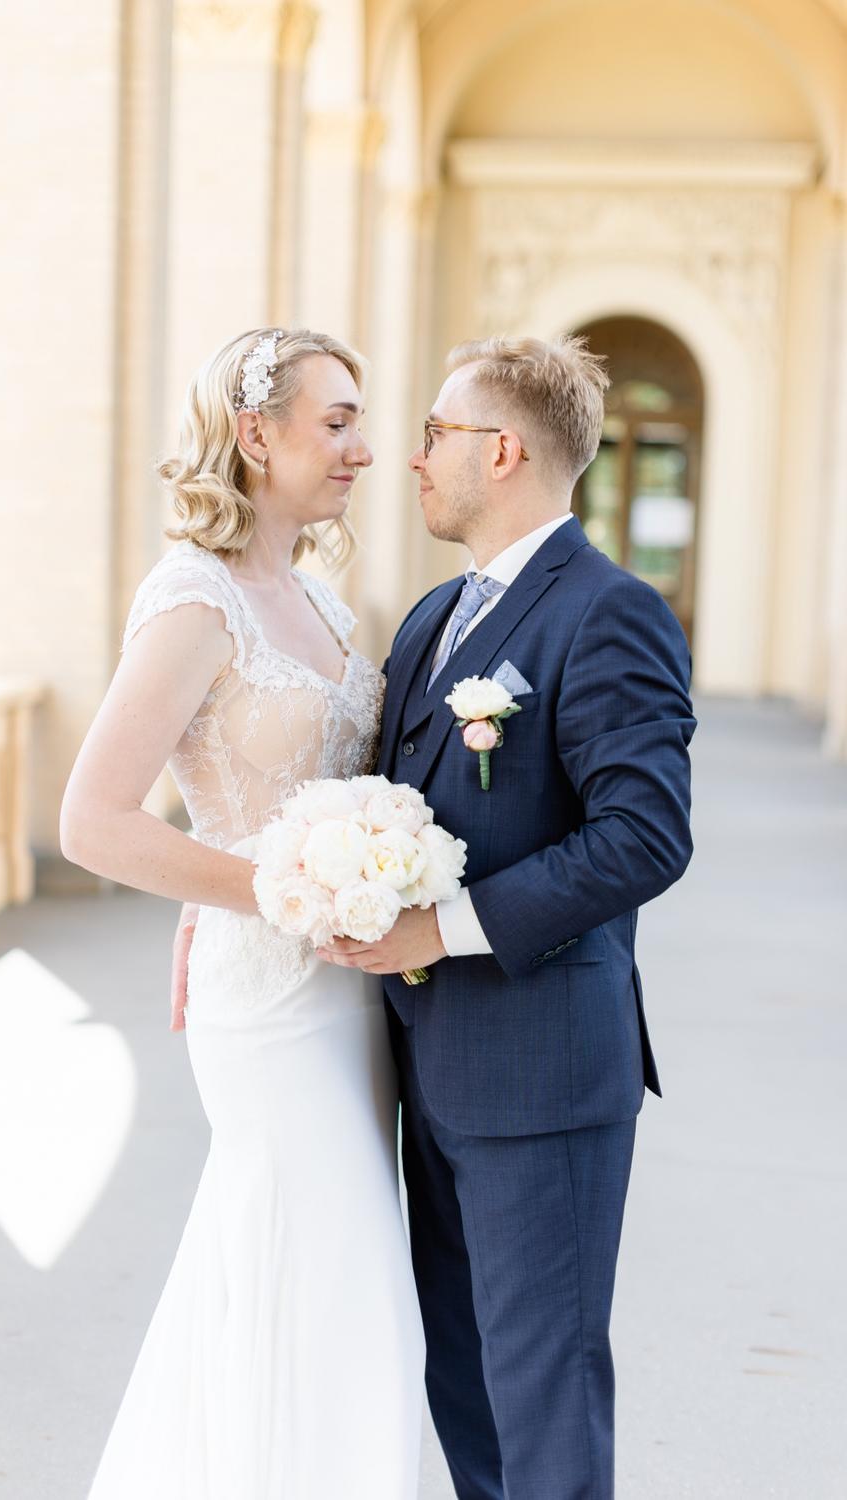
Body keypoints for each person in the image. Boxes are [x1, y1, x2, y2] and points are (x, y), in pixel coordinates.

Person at [316, 334, 697, 1499]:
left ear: (503, 449)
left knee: (542, 1388)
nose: (409, 457)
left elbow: (645, 836)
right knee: (466, 1381)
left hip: (540, 1073)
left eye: (433, 434)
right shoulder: (436, 617)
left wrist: (442, 931)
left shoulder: (609, 613)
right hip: (425, 1068)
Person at [60, 328, 424, 1500]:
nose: (363, 449)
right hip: (265, 1002)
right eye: (336, 422)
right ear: (255, 433)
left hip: (348, 995)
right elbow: (97, 819)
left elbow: (285, 792)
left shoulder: (319, 600)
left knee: (314, 1274)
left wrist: (342, 878)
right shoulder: (191, 598)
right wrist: (270, 892)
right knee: (327, 1259)